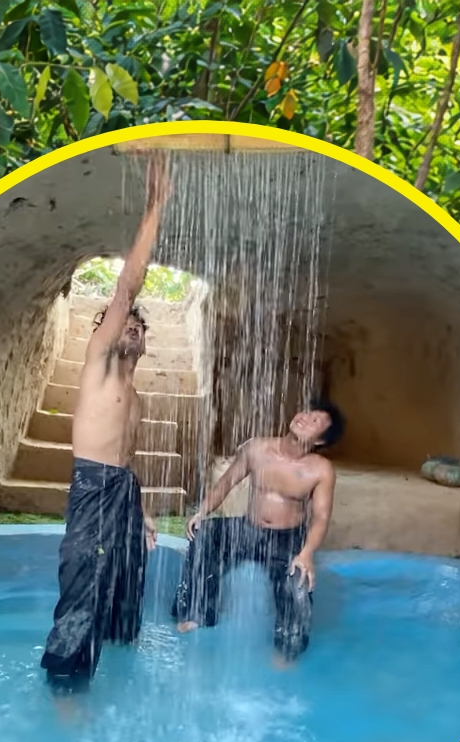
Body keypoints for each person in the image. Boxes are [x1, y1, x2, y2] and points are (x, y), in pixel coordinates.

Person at [42, 155, 174, 693]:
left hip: (121, 490)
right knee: (83, 586)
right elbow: (126, 289)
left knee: (124, 585)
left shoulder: (134, 394)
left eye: (140, 325)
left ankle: (119, 679)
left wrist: (140, 513)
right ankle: (65, 692)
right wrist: (156, 205)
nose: (132, 327)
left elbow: (130, 458)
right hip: (93, 486)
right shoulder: (99, 363)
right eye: (124, 322)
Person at [172, 400, 344, 664]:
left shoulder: (320, 469)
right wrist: (202, 512)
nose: (305, 418)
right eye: (307, 412)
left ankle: (288, 647)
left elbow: (321, 517)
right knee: (203, 535)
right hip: (247, 528)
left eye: (315, 421)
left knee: (298, 579)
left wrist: (307, 553)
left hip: (286, 539)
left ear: (320, 440)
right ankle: (196, 612)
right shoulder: (258, 448)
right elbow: (227, 481)